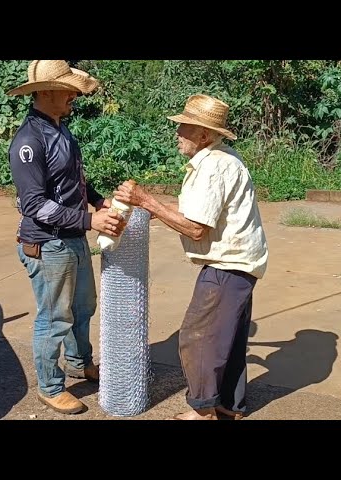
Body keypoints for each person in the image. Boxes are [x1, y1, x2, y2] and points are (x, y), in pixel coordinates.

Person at [114, 94, 268, 420]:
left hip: (228, 263)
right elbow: (197, 209)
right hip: (241, 262)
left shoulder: (213, 166)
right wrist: (154, 209)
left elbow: (196, 229)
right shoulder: (219, 159)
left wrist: (147, 201)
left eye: (184, 127)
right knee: (228, 337)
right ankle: (230, 405)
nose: (178, 133)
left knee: (197, 337)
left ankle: (203, 411)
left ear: (203, 135)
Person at [7, 60, 125, 415]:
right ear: (45, 92)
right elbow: (34, 206)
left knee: (82, 307)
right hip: (47, 243)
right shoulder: (28, 141)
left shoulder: (62, 130)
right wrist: (91, 220)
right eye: (67, 89)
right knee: (55, 317)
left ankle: (79, 362)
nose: (74, 95)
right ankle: (50, 386)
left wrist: (99, 201)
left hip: (71, 237)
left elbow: (75, 181)